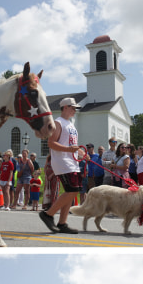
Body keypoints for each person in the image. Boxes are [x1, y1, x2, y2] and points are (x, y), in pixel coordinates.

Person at [40, 98, 83, 234]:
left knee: (73, 191)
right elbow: (51, 143)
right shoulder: (58, 123)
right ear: (65, 107)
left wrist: (82, 153)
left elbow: (73, 145)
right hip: (63, 162)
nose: (75, 110)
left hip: (72, 162)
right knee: (71, 190)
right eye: (73, 108)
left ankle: (62, 223)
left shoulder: (71, 124)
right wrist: (69, 150)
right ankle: (48, 214)